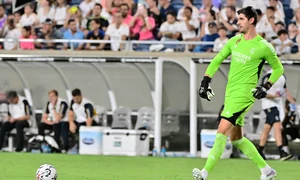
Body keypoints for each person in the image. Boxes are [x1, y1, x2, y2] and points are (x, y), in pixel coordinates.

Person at [193, 6, 284, 180]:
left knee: (221, 130)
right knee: (236, 139)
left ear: (251, 20)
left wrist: (265, 86)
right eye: (238, 18)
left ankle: (204, 173)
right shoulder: (234, 41)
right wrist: (205, 81)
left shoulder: (264, 46)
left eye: (241, 18)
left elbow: (278, 68)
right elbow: (217, 60)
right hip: (231, 93)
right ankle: (266, 170)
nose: (237, 22)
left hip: (245, 94)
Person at [258, 70, 295, 161]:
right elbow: (262, 92)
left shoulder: (282, 77)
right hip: (269, 105)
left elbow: (285, 91)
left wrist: (293, 103)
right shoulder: (268, 76)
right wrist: (274, 96)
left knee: (267, 128)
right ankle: (281, 151)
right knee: (278, 127)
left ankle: (260, 151)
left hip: (276, 106)